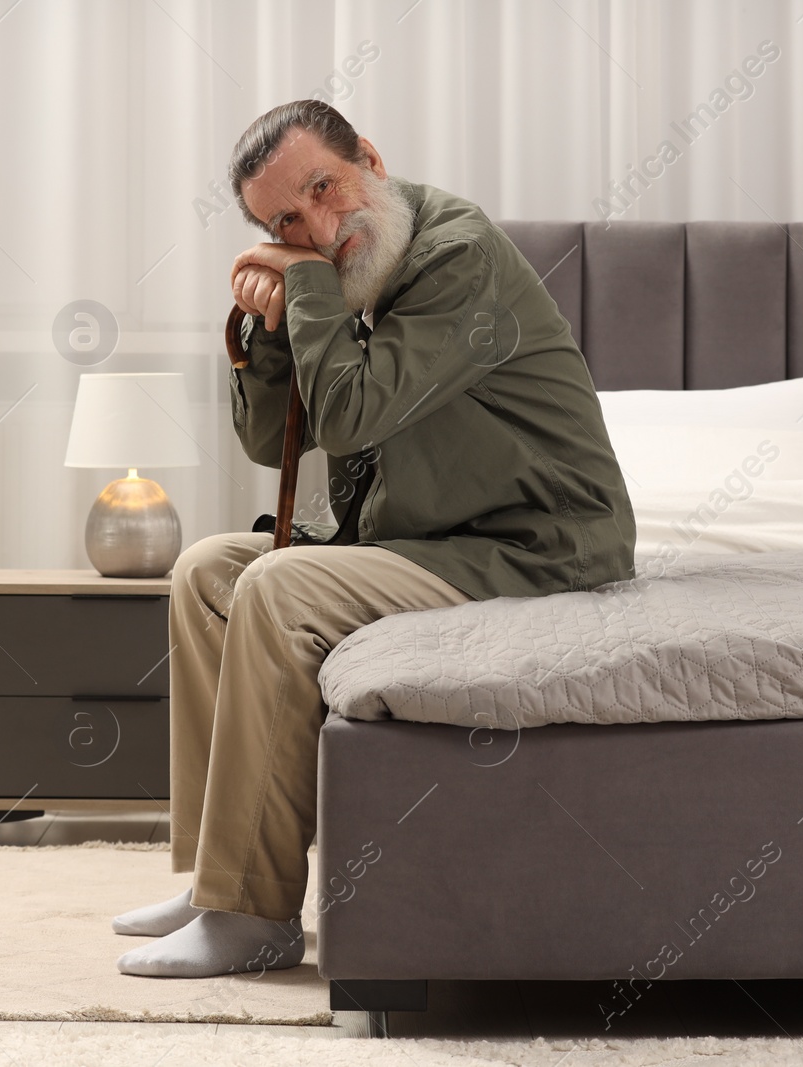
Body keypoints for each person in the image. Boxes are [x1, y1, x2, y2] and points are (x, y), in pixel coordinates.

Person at [112, 99, 635, 978]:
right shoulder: (353, 269)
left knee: (275, 586)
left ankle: (253, 915)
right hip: (423, 537)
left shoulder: (455, 256)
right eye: (285, 221)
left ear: (372, 160)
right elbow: (272, 437)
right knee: (208, 570)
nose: (318, 226)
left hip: (536, 544)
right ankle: (218, 879)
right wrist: (270, 335)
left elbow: (354, 414)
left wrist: (304, 281)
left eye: (324, 187)